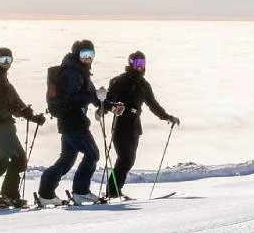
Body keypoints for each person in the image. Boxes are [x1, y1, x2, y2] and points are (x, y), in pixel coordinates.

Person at [0, 47, 46, 209]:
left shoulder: (1, 78)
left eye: (9, 60)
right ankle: (5, 196)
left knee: (1, 160)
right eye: (2, 60)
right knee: (18, 159)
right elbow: (1, 107)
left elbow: (16, 102)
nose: (6, 63)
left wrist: (32, 117)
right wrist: (22, 113)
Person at [101, 51, 180, 200]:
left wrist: (167, 117)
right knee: (124, 158)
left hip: (135, 127)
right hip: (120, 125)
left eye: (142, 63)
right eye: (137, 63)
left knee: (129, 160)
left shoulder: (143, 85)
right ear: (131, 63)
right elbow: (109, 100)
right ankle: (112, 192)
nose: (140, 66)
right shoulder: (120, 81)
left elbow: (153, 105)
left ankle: (114, 191)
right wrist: (107, 108)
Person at [36, 40, 105, 206]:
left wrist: (104, 102)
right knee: (92, 154)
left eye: (91, 55)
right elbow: (72, 97)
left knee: (66, 160)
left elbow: (91, 94)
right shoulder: (72, 73)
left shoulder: (80, 71)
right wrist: (93, 97)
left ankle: (46, 193)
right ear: (76, 55)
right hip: (74, 121)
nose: (87, 58)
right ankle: (81, 192)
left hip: (68, 121)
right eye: (84, 55)